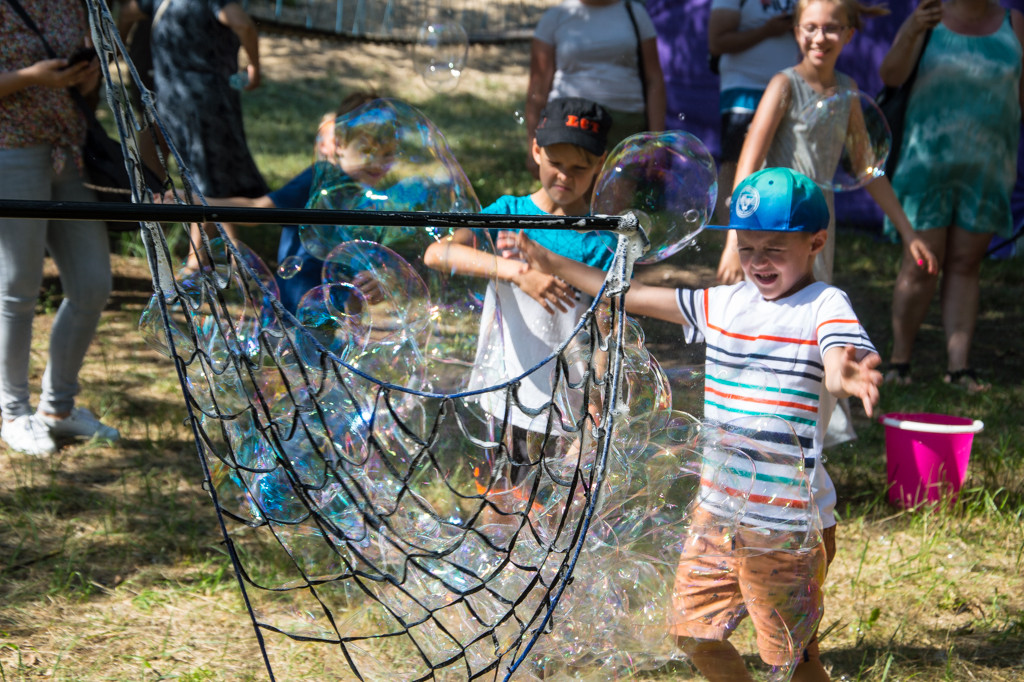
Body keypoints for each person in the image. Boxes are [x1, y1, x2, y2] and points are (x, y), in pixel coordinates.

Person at [515, 167, 882, 682]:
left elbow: (839, 352)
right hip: (717, 512)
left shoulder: (822, 305)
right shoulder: (724, 302)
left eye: (775, 248)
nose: (759, 262)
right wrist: (554, 261)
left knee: (791, 660)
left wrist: (844, 374)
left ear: (816, 241)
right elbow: (632, 295)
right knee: (692, 634)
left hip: (784, 526)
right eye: (748, 247)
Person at [423, 97, 616, 490]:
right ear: (536, 150)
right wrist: (518, 272)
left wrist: (595, 400)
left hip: (567, 408)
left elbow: (607, 327)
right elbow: (438, 252)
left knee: (554, 516)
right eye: (556, 162)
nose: (565, 175)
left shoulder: (601, 240)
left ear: (601, 164)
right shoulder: (508, 212)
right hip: (503, 399)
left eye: (580, 168)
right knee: (499, 506)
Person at [716, 0, 938, 287]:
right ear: (797, 32)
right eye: (811, 28)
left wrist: (909, 233)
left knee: (807, 310)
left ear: (849, 34)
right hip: (772, 222)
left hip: (817, 222)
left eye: (831, 29)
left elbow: (867, 168)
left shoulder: (848, 89)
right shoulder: (783, 85)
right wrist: (735, 241)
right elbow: (749, 162)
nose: (819, 38)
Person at [879, 0, 1024, 393]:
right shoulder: (929, 18)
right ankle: (899, 360)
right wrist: (910, 28)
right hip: (924, 165)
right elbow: (891, 75)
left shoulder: (1015, 24)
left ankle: (958, 367)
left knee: (965, 264)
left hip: (989, 170)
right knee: (921, 264)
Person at [0, 0, 121, 455]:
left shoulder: (72, 2)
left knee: (92, 284)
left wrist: (85, 80)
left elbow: (83, 91)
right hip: (9, 150)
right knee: (17, 287)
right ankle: (13, 413)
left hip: (67, 151)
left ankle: (58, 409)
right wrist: (32, 77)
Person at [197, 91, 383, 313]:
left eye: (388, 153)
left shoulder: (373, 204)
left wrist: (374, 286)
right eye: (367, 151)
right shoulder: (319, 179)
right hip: (289, 312)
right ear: (340, 143)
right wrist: (198, 201)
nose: (378, 162)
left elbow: (360, 279)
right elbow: (256, 210)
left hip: (330, 321)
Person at [129, 0, 269, 269]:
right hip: (207, 100)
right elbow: (242, 23)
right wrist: (255, 68)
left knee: (194, 173)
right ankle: (197, 259)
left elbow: (129, 11)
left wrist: (122, 43)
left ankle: (218, 249)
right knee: (207, 177)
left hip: (166, 97)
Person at [525, 0, 666, 177]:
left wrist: (657, 141)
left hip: (624, 124)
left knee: (619, 200)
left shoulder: (635, 13)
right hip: (568, 125)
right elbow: (537, 89)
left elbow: (654, 79)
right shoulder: (556, 17)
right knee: (570, 198)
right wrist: (532, 140)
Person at [706, 0, 799, 226]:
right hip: (743, 90)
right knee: (737, 163)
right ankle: (731, 236)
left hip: (790, 90)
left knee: (784, 164)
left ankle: (774, 232)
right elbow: (717, 42)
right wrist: (767, 30)